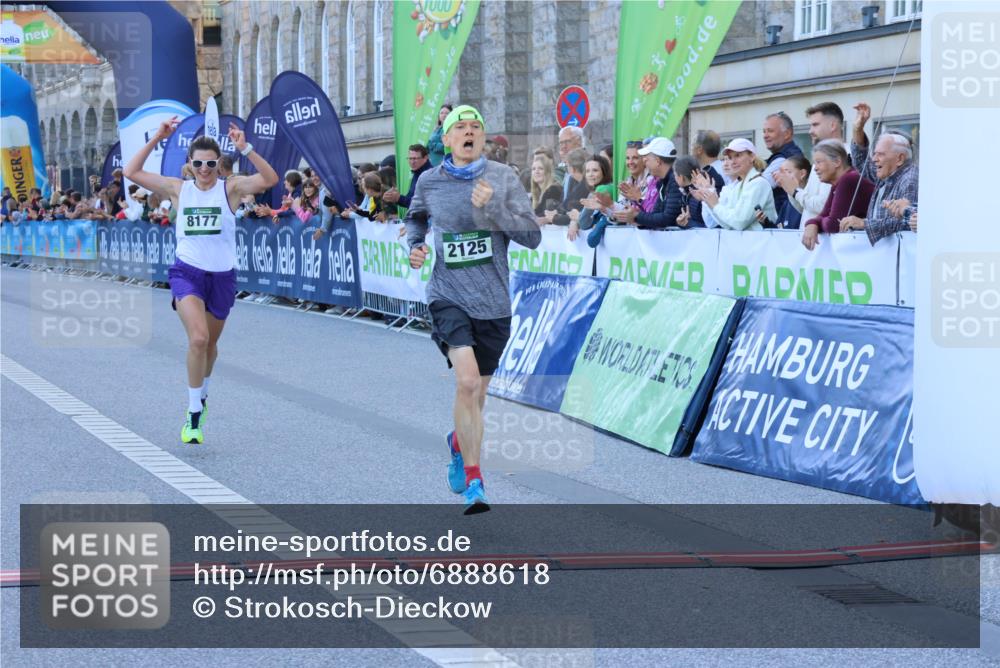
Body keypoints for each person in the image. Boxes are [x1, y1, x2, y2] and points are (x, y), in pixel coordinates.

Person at [405, 104, 540, 514]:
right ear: (446, 139)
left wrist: (495, 208)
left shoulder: (502, 178)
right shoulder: (429, 181)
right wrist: (415, 245)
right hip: (447, 294)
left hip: (494, 301)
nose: (468, 132)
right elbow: (415, 219)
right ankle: (475, 479)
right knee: (465, 384)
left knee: (478, 394)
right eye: (459, 127)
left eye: (475, 127)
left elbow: (532, 236)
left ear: (482, 137)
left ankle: (457, 441)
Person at [124, 117, 278, 444]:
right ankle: (193, 415)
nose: (205, 169)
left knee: (210, 345)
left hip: (222, 276)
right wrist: (158, 138)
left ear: (219, 164)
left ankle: (203, 395)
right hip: (187, 272)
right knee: (197, 338)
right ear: (190, 165)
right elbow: (131, 172)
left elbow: (270, 179)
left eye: (211, 163)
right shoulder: (178, 189)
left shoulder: (231, 188)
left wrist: (246, 148)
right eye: (199, 163)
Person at [845, 102, 919, 244]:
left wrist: (864, 224)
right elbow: (862, 163)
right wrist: (857, 129)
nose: (874, 159)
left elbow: (908, 223)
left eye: (880, 154)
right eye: (874, 153)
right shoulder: (888, 173)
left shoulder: (910, 179)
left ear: (900, 158)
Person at [801, 140, 875, 250]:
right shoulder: (839, 182)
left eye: (819, 162)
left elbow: (833, 224)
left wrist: (816, 223)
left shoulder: (849, 179)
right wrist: (812, 223)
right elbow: (824, 215)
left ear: (837, 162)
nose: (815, 168)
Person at [692, 137, 776, 231]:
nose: (732, 161)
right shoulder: (740, 185)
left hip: (760, 244)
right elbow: (727, 223)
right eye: (730, 157)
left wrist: (715, 204)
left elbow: (739, 222)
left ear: (752, 157)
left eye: (738, 155)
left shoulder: (758, 183)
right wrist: (708, 199)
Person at [782, 102, 844, 223]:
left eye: (815, 125)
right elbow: (805, 209)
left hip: (826, 238)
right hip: (811, 238)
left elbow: (823, 205)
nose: (810, 131)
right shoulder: (819, 159)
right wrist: (791, 189)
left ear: (832, 125)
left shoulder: (841, 157)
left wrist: (796, 191)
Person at [613, 137, 682, 229]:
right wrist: (634, 216)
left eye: (647, 158)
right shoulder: (663, 182)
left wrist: (636, 215)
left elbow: (668, 219)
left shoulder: (674, 181)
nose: (644, 161)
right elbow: (655, 215)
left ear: (657, 161)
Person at [761, 112, 804, 214]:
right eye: (764, 131)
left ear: (787, 134)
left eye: (770, 131)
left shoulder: (784, 159)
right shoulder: (788, 154)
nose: (765, 136)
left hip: (784, 222)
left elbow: (758, 188)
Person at [383, 144, 432, 210]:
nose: (412, 162)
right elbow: (411, 199)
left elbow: (423, 205)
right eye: (410, 158)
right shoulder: (417, 172)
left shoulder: (430, 175)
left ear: (425, 158)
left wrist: (399, 198)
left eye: (415, 158)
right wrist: (394, 197)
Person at [774, 155, 811, 230]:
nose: (782, 176)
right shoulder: (787, 203)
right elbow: (780, 231)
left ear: (802, 174)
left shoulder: (811, 200)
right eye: (781, 172)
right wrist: (766, 222)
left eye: (788, 171)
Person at [616, 140, 653, 211]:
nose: (630, 162)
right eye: (627, 158)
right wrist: (608, 206)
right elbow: (621, 211)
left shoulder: (652, 181)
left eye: (635, 158)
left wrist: (638, 198)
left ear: (644, 160)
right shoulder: (627, 182)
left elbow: (651, 212)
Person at [529, 154, 563, 218]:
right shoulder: (535, 195)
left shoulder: (553, 190)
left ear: (548, 171)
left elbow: (544, 214)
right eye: (533, 169)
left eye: (541, 168)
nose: (536, 171)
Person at [556, 125, 585, 190]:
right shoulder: (560, 169)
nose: (563, 146)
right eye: (561, 143)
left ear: (579, 141)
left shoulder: (591, 163)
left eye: (567, 141)